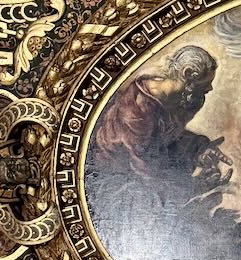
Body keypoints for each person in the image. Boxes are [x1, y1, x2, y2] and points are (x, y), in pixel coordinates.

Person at [91, 46, 220, 177]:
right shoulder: (139, 105)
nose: (210, 88)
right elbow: (142, 165)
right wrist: (193, 185)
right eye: (206, 82)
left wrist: (199, 149)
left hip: (147, 163)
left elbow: (166, 139)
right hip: (115, 169)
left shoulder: (188, 100)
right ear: (187, 73)